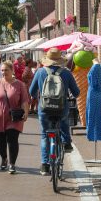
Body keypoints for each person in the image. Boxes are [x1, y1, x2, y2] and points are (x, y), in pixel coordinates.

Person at [29, 48, 80, 176]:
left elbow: (31, 92)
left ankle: (45, 165)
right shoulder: (66, 73)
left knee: (44, 135)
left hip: (44, 109)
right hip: (61, 108)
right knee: (63, 124)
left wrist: (38, 96)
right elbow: (76, 93)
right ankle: (66, 143)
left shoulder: (40, 72)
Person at [0, 61, 29, 174]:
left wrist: (26, 112)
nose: (4, 72)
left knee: (12, 139)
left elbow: (24, 100)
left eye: (6, 70)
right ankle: (4, 158)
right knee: (0, 141)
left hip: (14, 118)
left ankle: (12, 164)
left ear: (12, 71)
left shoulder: (19, 84)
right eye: (2, 70)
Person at [86, 59, 101, 142]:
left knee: (93, 115)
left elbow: (94, 83)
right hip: (99, 93)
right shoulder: (100, 66)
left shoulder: (95, 67)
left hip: (94, 94)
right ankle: (100, 134)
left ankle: (94, 135)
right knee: (100, 115)